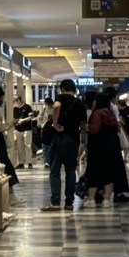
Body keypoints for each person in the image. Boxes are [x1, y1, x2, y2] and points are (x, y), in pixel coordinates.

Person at [40, 79, 87, 212]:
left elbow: (56, 106)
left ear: (62, 89)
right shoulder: (79, 103)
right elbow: (83, 124)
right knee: (70, 171)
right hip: (74, 140)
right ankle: (69, 203)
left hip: (59, 139)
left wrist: (55, 124)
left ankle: (55, 202)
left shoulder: (61, 98)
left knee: (55, 171)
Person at [83, 93, 121, 209]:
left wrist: (85, 127)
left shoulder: (97, 113)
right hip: (111, 148)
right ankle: (106, 200)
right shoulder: (111, 113)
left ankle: (91, 200)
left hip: (97, 148)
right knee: (108, 174)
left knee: (94, 173)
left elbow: (94, 129)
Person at [104, 87, 129, 204]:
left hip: (103, 141)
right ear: (113, 97)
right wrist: (127, 137)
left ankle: (100, 193)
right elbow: (118, 124)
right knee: (117, 167)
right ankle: (118, 193)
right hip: (113, 140)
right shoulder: (113, 107)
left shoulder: (100, 108)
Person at [12, 96, 34, 170]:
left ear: (18, 100)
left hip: (27, 129)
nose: (13, 103)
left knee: (27, 146)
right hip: (17, 130)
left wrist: (23, 120)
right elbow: (14, 118)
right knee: (19, 147)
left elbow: (31, 116)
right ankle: (21, 162)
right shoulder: (14, 109)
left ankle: (29, 162)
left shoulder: (27, 107)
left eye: (14, 101)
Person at [38, 97, 55, 168]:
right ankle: (46, 161)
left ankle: (50, 160)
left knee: (51, 145)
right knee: (45, 146)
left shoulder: (55, 109)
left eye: (46, 103)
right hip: (45, 127)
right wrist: (41, 118)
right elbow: (40, 116)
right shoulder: (44, 109)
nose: (45, 105)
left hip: (52, 128)